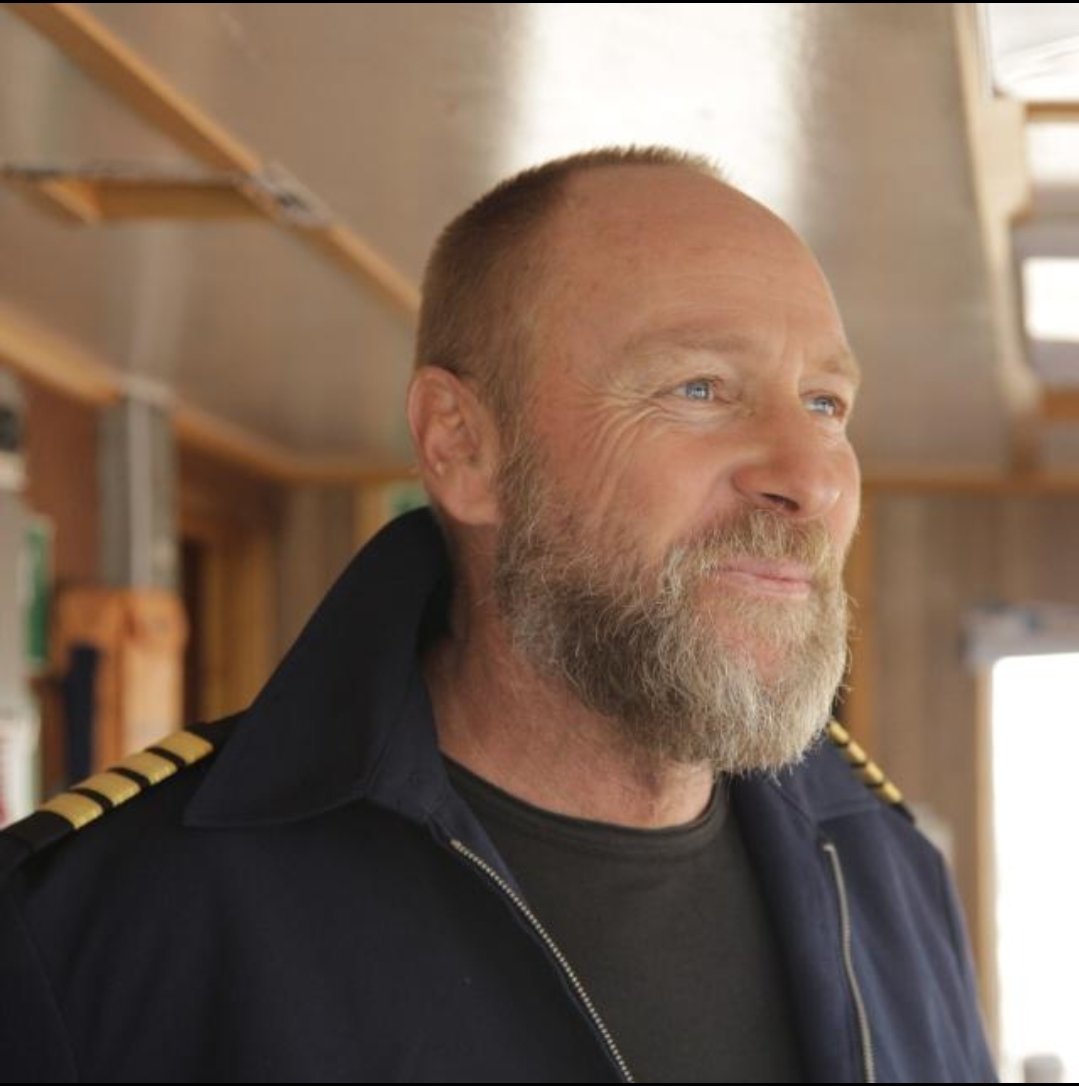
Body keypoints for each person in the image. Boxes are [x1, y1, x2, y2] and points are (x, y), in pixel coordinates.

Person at [0, 147, 996, 1082]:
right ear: (462, 446)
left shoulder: (886, 868)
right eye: (699, 388)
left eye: (824, 404)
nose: (810, 479)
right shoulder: (96, 925)